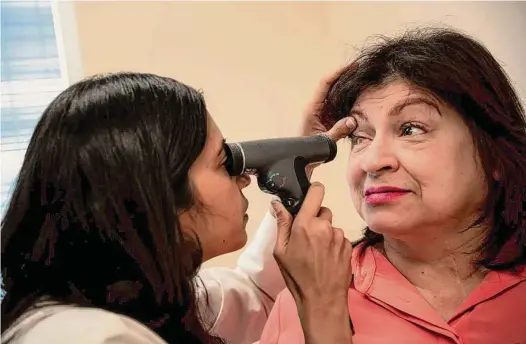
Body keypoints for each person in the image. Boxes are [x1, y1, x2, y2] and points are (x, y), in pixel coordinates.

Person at [0, 71, 355, 344]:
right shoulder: (94, 337)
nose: (243, 178)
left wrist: (300, 158)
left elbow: (253, 299)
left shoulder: (134, 299)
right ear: (156, 191)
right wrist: (324, 312)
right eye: (222, 162)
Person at [259, 27, 526, 344]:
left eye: (412, 129)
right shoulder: (299, 310)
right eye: (360, 137)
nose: (372, 161)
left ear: (495, 155)